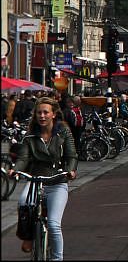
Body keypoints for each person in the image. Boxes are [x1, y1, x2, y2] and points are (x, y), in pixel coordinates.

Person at [11, 97, 78, 260]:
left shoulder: (63, 131)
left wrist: (70, 170)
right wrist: (15, 169)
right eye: (39, 113)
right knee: (23, 202)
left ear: (53, 114)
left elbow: (71, 155)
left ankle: (57, 259)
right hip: (36, 181)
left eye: (45, 112)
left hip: (57, 181)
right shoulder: (30, 135)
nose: (42, 116)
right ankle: (28, 236)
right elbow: (23, 158)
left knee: (54, 225)